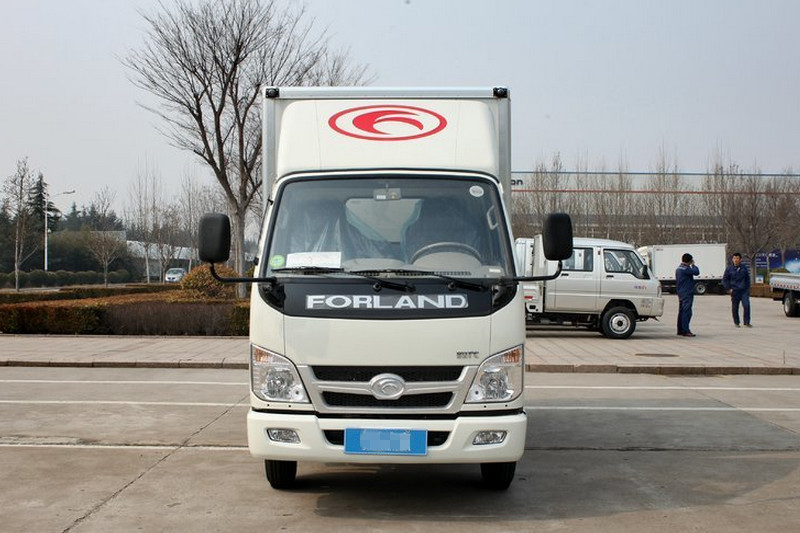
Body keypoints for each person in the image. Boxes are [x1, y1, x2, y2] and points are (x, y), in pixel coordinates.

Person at [722, 252, 752, 327]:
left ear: (740, 259)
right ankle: (736, 322)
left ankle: (747, 322)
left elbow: (747, 279)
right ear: (732, 259)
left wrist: (747, 288)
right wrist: (729, 288)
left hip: (744, 291)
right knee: (735, 308)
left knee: (746, 305)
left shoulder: (744, 268)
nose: (735, 260)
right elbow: (725, 280)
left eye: (737, 258)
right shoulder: (729, 269)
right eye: (734, 258)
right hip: (734, 291)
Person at [676, 253, 700, 337]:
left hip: (681, 292)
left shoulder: (679, 268)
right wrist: (693, 265)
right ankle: (685, 330)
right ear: (690, 260)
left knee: (682, 311)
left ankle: (680, 329)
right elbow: (696, 272)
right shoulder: (686, 269)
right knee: (687, 312)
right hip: (687, 292)